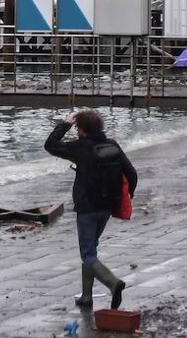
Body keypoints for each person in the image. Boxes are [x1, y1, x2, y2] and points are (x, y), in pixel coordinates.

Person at [45, 109, 138, 309]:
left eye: (77, 127)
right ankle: (86, 296)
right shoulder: (112, 145)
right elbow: (131, 173)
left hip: (87, 207)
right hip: (107, 207)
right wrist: (128, 195)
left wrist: (65, 123)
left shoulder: (80, 147)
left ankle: (114, 283)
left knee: (88, 254)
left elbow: (50, 145)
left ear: (82, 129)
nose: (76, 130)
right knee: (91, 250)